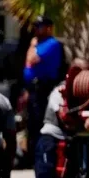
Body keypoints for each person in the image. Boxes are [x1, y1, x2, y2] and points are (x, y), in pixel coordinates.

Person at [24, 15, 66, 166]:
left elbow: (31, 60)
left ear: (49, 28)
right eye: (35, 27)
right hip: (33, 88)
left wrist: (32, 45)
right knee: (31, 124)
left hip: (43, 88)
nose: (36, 30)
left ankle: (40, 158)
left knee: (38, 124)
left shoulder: (51, 44)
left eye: (39, 27)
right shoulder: (39, 43)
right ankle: (32, 157)